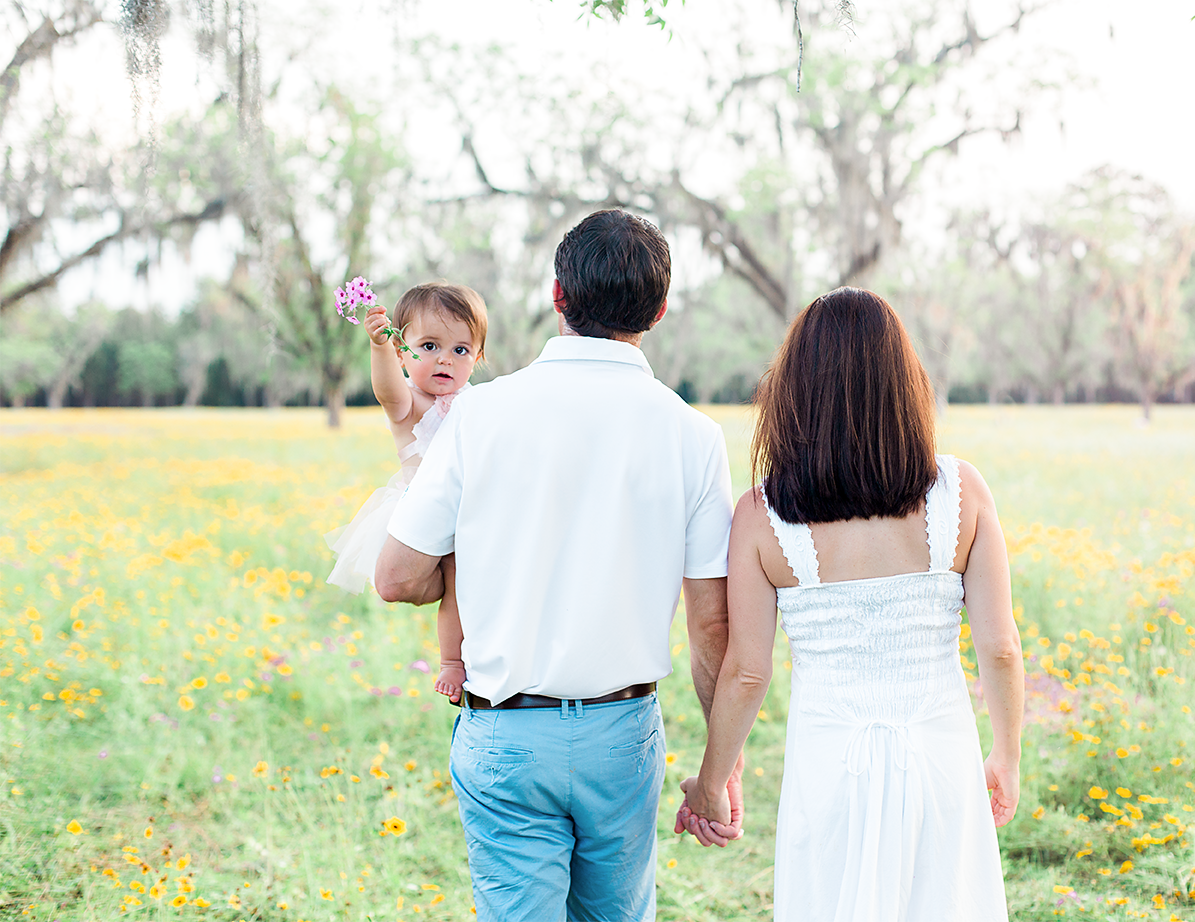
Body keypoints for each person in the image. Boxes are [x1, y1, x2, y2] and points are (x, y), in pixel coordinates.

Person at [374, 209, 740, 922]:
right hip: (621, 732)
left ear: (557, 295)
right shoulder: (694, 436)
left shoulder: (477, 415)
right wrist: (721, 770)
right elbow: (712, 623)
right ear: (658, 312)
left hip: (505, 729)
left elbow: (395, 577)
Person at [679, 287, 1024, 921]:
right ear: (905, 382)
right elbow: (999, 646)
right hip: (942, 760)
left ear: (795, 389)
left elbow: (747, 671)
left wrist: (712, 781)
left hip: (829, 772)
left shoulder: (761, 516)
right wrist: (1006, 753)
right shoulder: (963, 491)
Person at [324, 282, 486, 704]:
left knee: (465, 581)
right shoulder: (409, 402)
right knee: (450, 578)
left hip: (469, 509)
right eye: (429, 346)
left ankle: (486, 652)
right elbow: (387, 391)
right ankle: (452, 661)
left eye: (461, 350)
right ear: (402, 352)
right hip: (423, 510)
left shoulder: (476, 403)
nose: (444, 360)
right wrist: (379, 349)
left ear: (478, 357)